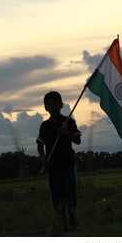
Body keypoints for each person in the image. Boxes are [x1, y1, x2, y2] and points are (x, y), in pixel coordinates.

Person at [36, 91, 81, 231]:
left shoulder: (69, 121)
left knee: (70, 193)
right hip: (52, 167)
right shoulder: (44, 126)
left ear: (61, 105)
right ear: (45, 108)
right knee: (56, 195)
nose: (52, 106)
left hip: (67, 165)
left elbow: (78, 140)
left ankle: (72, 222)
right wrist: (43, 159)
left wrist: (66, 132)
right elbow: (40, 146)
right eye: (49, 104)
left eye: (55, 103)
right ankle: (62, 223)